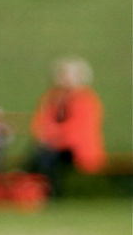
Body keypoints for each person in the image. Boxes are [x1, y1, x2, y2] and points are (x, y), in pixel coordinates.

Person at [27, 56, 105, 197]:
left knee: (48, 157)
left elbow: (79, 129)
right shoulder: (53, 97)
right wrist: (44, 135)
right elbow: (40, 121)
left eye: (68, 74)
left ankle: (53, 194)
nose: (63, 78)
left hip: (75, 149)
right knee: (38, 156)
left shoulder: (86, 99)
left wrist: (54, 136)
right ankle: (36, 193)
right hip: (53, 145)